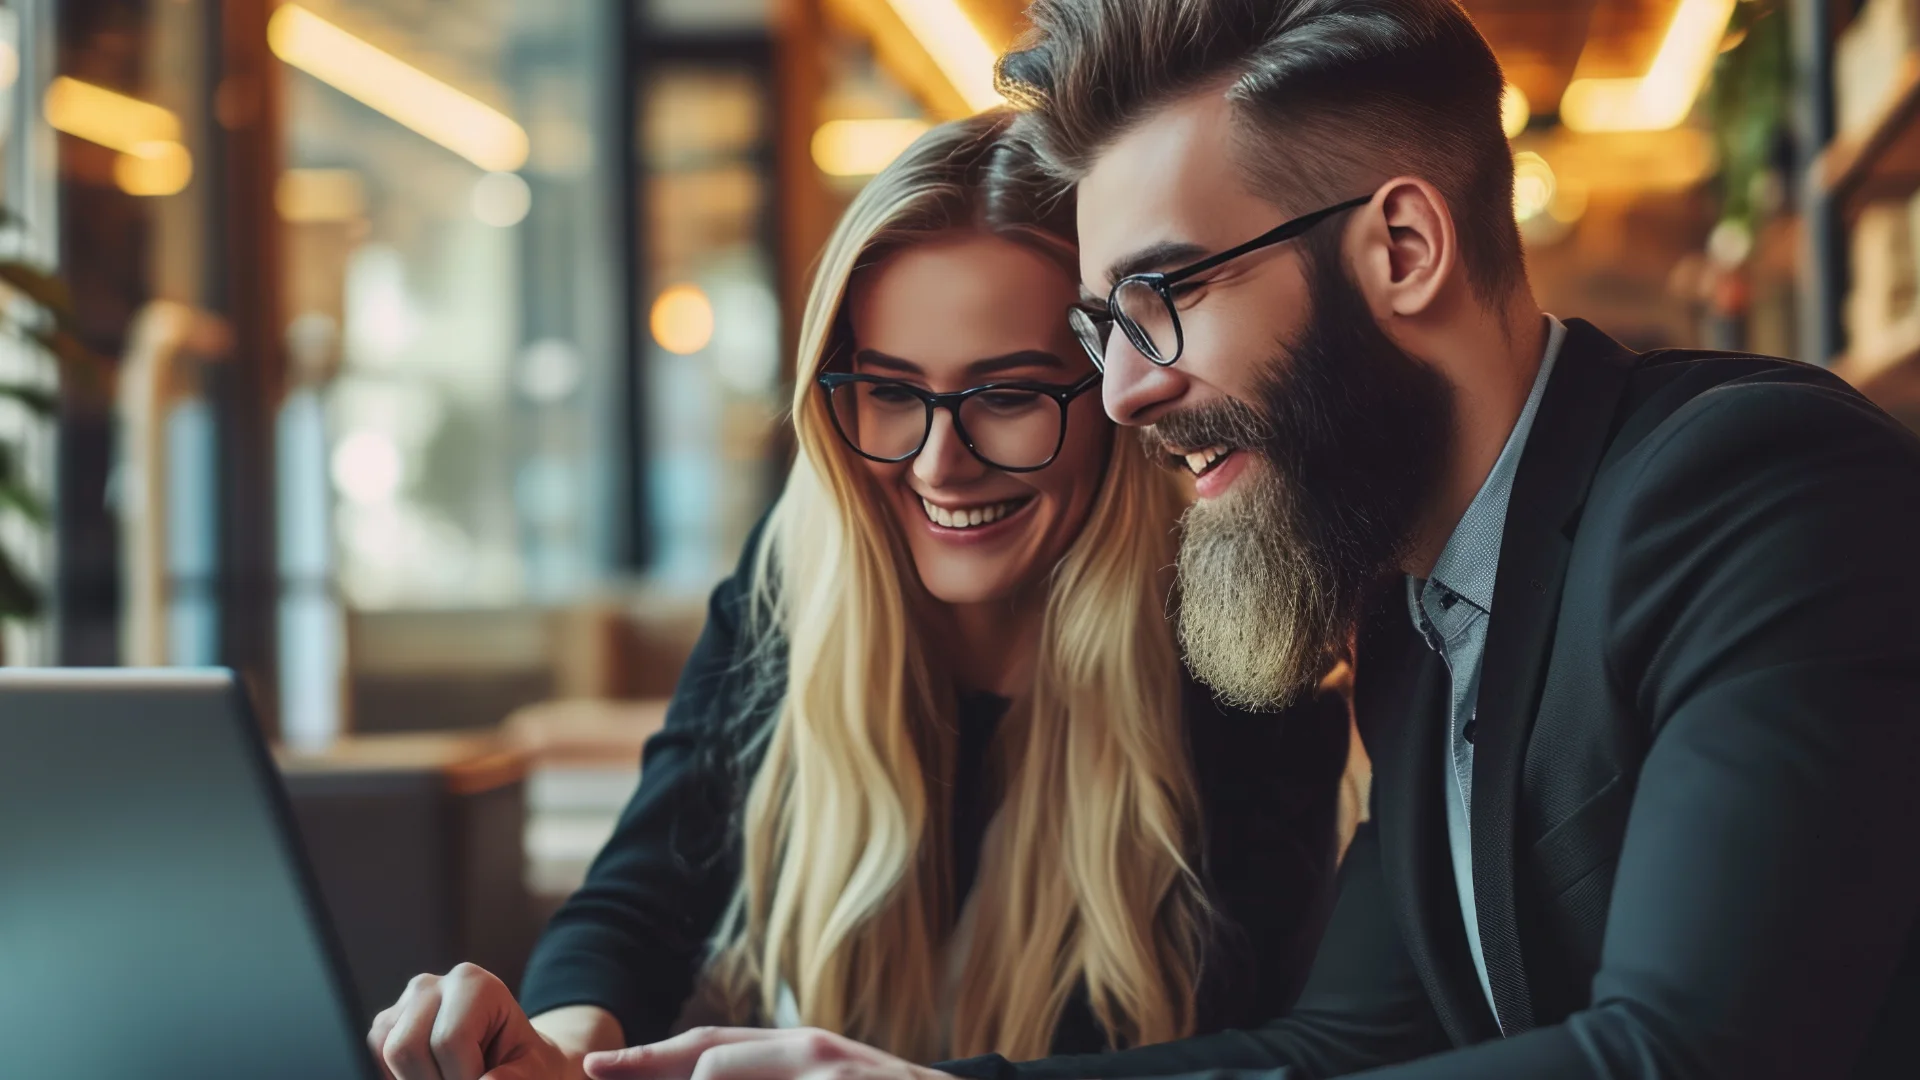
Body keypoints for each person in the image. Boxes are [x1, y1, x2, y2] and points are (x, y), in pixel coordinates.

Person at [580, 2, 1920, 1080]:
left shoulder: (1755, 487)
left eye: (1162, 298)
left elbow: (1688, 1052)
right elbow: (1345, 1044)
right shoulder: (1415, 613)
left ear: (1401, 246)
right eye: (1105, 326)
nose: (1120, 393)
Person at [364, 110, 1352, 1080]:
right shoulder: (798, 579)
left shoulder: (1233, 636)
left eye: (1006, 396)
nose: (938, 465)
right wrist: (553, 1046)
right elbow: (641, 899)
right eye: (889, 391)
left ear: (1113, 398)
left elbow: (1291, 1049)